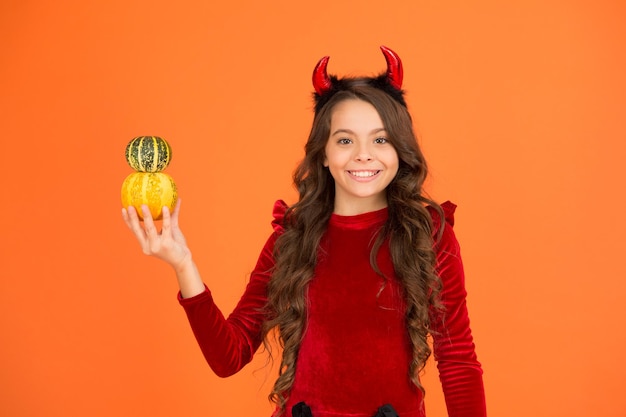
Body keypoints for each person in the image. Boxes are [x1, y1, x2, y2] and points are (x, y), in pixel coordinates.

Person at [122, 46, 487, 417]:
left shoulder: (429, 237)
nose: (363, 154)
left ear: (400, 149)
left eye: (380, 139)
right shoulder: (291, 238)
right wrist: (183, 264)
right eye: (345, 140)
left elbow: (457, 361)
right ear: (324, 153)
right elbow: (228, 357)